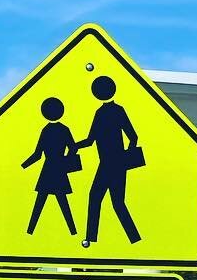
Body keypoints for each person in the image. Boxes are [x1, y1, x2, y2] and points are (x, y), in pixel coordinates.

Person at [76, 75, 142, 245]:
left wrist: (127, 157)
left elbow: (132, 136)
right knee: (114, 202)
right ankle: (133, 238)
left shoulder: (106, 112)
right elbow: (132, 138)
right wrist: (126, 156)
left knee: (101, 199)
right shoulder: (112, 111)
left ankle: (93, 238)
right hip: (113, 164)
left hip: (110, 164)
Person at [21, 96, 80, 236]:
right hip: (59, 169)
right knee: (61, 202)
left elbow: (37, 154)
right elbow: (73, 148)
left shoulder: (46, 130)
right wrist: (66, 160)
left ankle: (30, 231)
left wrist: (24, 165)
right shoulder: (64, 129)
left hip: (49, 169)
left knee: (41, 202)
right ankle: (73, 232)